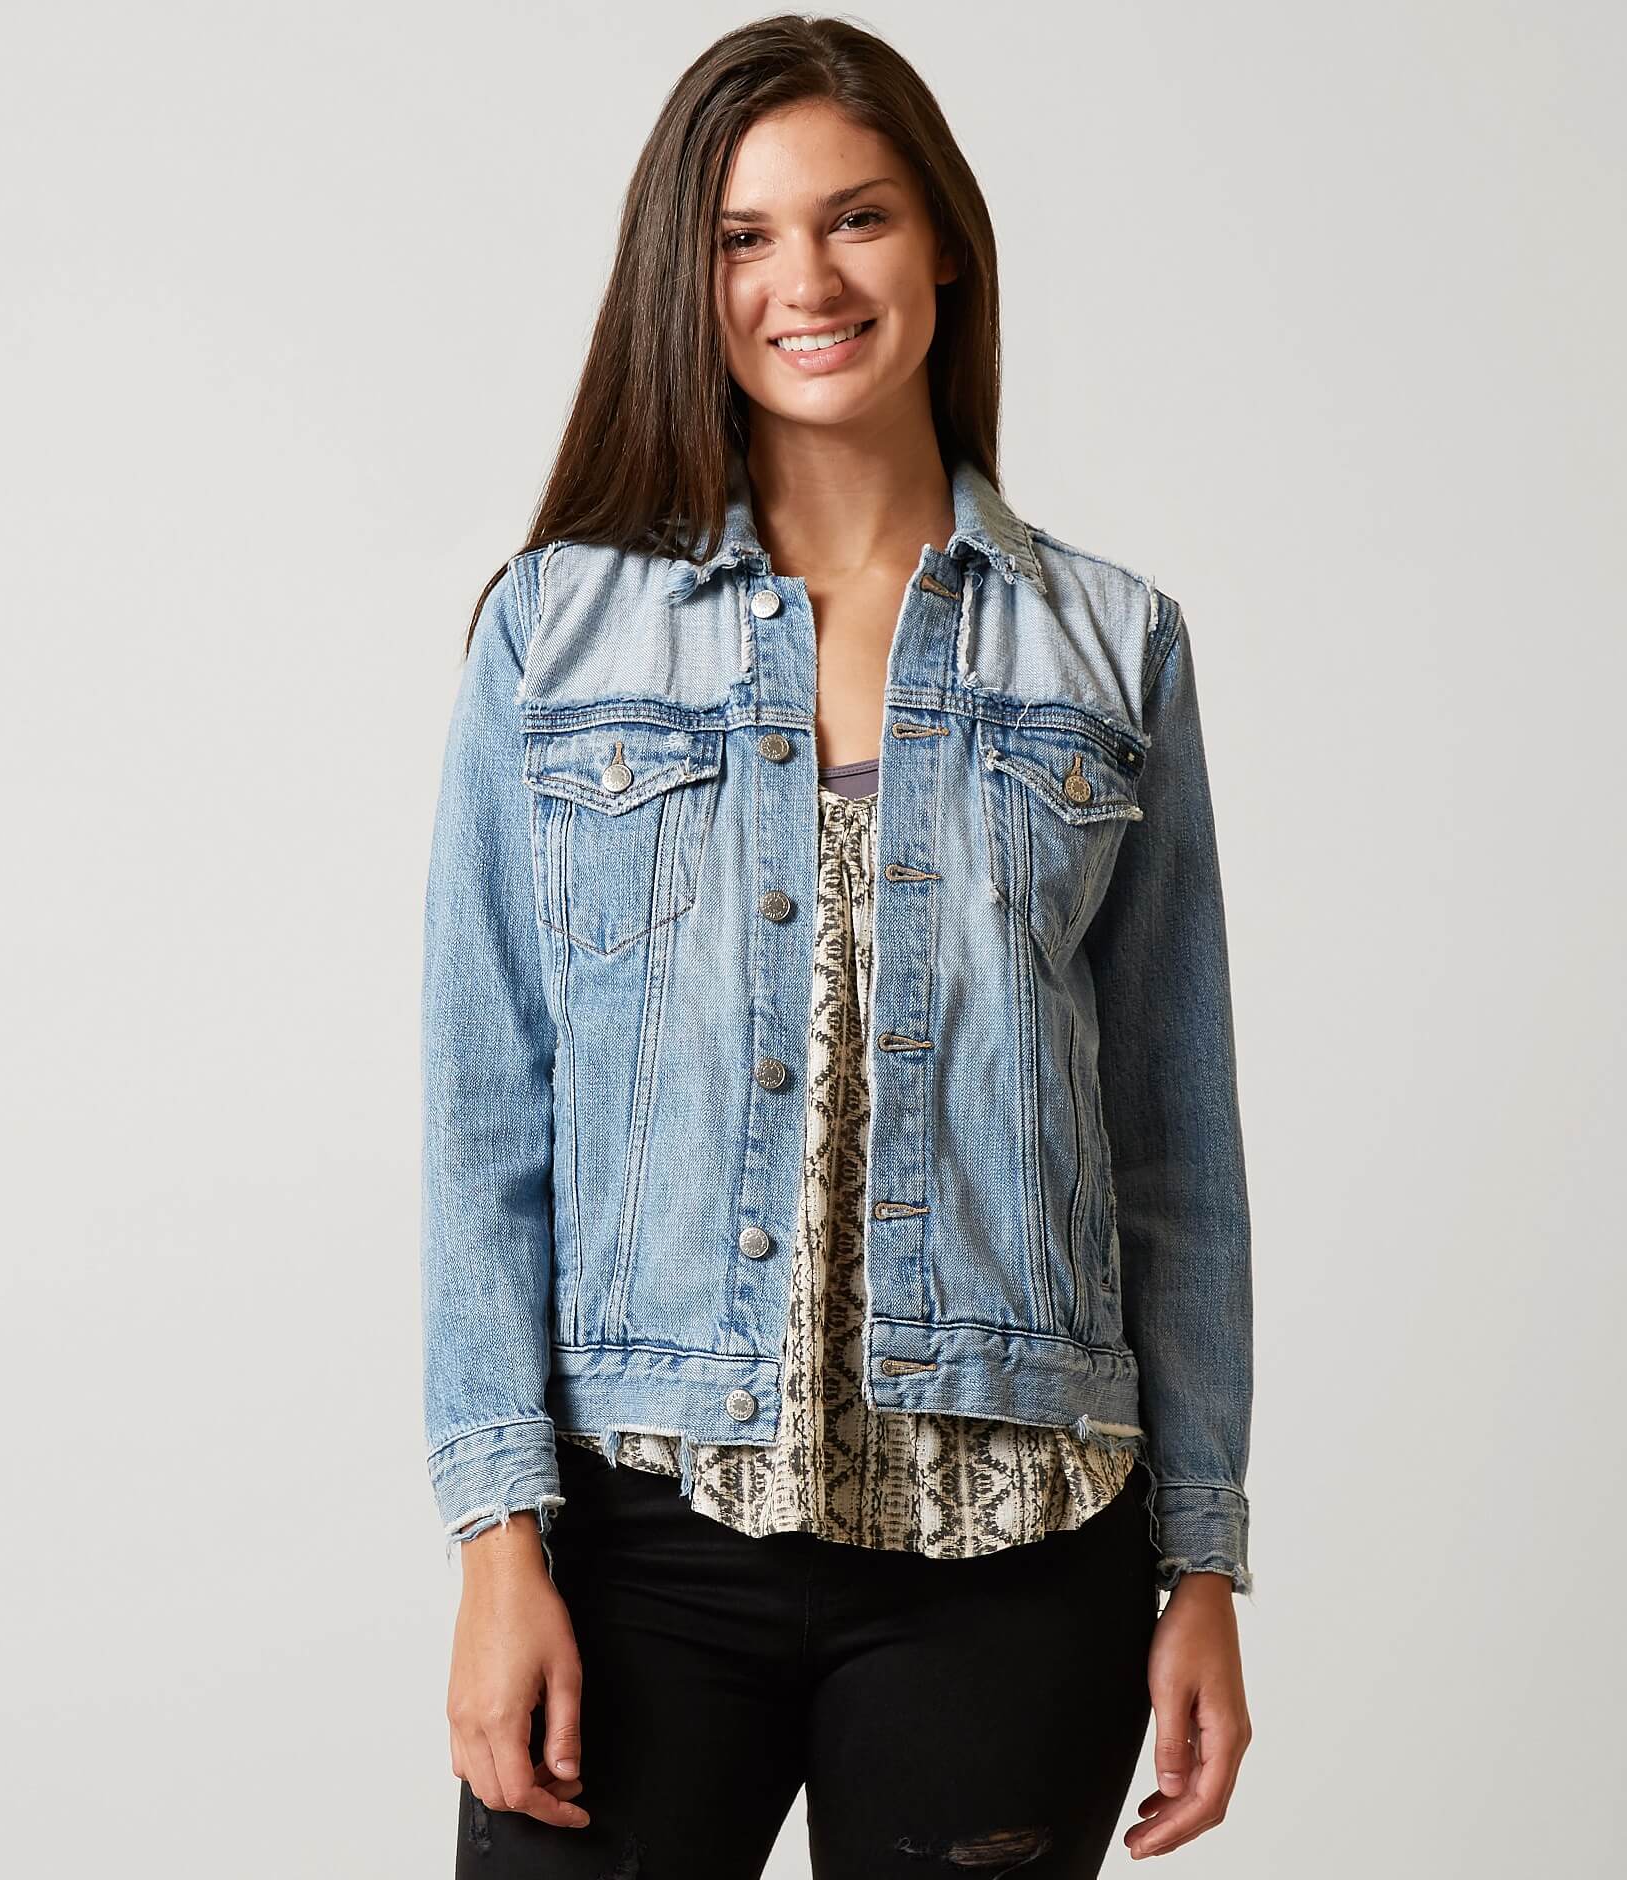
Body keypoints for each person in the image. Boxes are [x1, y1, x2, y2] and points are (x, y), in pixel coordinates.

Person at [421, 17, 1255, 1875]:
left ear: (942, 240)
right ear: (688, 275)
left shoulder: (1109, 649)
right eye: (744, 236)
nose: (804, 279)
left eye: (856, 217)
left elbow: (1171, 1150)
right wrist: (494, 1540)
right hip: (641, 1533)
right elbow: (490, 1118)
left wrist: (1201, 1558)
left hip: (1015, 1548)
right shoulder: (558, 636)